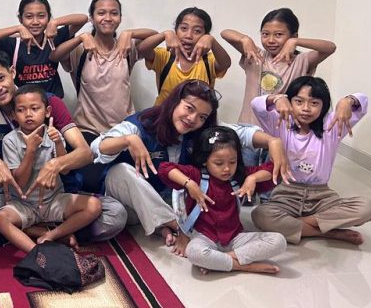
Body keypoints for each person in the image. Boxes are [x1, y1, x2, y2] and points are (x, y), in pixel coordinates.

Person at [90, 80, 290, 252]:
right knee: (119, 171)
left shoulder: (201, 132)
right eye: (189, 108)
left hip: (166, 204)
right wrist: (128, 140)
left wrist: (272, 141)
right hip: (129, 201)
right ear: (175, 102)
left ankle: (164, 226)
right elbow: (97, 147)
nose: (193, 119)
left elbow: (240, 133)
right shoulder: (145, 121)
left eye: (202, 116)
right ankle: (178, 227)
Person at [0, 50, 126, 242]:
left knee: (115, 214)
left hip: (57, 194)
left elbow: (85, 153)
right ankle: (49, 233)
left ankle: (36, 231)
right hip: (14, 198)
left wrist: (55, 164)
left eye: (1, 78)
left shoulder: (48, 102)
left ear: (12, 72)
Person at [251, 77, 371, 245]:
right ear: (290, 102)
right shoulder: (280, 122)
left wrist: (347, 101)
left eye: (314, 103)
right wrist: (277, 98)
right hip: (286, 194)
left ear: (323, 106)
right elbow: (256, 104)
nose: (306, 108)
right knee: (260, 215)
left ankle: (299, 225)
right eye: (299, 101)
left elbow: (363, 101)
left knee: (367, 207)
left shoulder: (331, 125)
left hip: (322, 197)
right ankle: (328, 232)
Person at [158, 126, 286, 274]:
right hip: (204, 237)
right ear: (205, 161)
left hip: (235, 237)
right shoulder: (196, 175)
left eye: (232, 162)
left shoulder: (240, 177)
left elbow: (274, 169)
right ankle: (244, 266)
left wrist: (253, 178)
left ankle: (220, 261)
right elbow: (164, 168)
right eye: (219, 163)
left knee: (279, 241)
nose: (227, 169)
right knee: (194, 252)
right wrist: (189, 183)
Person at [0, 85, 102, 253]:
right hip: (23, 204)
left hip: (53, 200)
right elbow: (19, 182)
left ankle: (51, 235)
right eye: (21, 110)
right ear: (13, 115)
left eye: (35, 108)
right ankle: (36, 252)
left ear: (47, 111)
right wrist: (30, 150)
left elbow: (65, 171)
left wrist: (58, 142)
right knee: (0, 219)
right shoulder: (10, 140)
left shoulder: (53, 135)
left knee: (94, 205)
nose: (28, 114)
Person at [49, 0, 157, 138]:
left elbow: (155, 35)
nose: (108, 18)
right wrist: (81, 38)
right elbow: (54, 56)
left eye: (114, 13)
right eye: (101, 13)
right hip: (87, 130)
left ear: (120, 18)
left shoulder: (125, 47)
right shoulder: (80, 50)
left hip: (124, 130)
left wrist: (129, 33)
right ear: (92, 18)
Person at [221, 8, 337, 125]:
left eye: (278, 35)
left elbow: (330, 47)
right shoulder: (255, 55)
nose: (271, 40)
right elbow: (225, 33)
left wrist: (295, 42)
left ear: (294, 35)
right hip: (248, 129)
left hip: (282, 131)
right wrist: (245, 39)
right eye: (265, 34)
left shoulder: (301, 61)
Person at [0, 0, 87, 98]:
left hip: (53, 101)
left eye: (41, 16)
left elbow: (83, 18)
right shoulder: (13, 43)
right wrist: (17, 28)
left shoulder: (53, 37)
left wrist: (55, 22)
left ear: (48, 17)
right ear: (20, 18)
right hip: (24, 104)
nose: (35, 22)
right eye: (29, 16)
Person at [138, 7, 231, 105]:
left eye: (197, 31)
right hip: (162, 114)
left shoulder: (208, 60)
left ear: (205, 36)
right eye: (183, 28)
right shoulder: (165, 56)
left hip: (196, 114)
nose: (188, 35)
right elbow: (142, 49)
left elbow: (225, 63)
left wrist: (212, 40)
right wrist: (165, 34)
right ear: (176, 31)